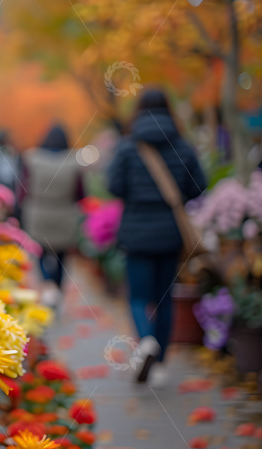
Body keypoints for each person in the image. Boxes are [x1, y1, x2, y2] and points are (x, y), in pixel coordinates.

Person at [108, 89, 207, 386]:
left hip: (137, 233)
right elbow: (198, 187)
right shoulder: (183, 146)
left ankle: (147, 341)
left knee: (138, 296)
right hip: (170, 233)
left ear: (139, 110)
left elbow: (114, 186)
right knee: (165, 299)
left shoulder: (128, 147)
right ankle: (160, 363)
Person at [20, 124, 82, 304]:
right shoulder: (72, 162)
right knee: (62, 256)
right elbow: (80, 192)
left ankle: (47, 285)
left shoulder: (32, 159)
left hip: (39, 212)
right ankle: (57, 288)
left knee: (40, 252)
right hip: (64, 213)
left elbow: (24, 189)